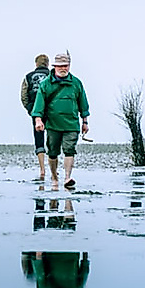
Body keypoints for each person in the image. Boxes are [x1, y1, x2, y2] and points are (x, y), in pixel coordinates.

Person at [31, 52, 90, 189]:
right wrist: (38, 120)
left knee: (69, 149)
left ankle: (67, 177)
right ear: (54, 67)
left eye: (65, 66)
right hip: (53, 124)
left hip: (71, 123)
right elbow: (39, 104)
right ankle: (54, 177)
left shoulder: (76, 83)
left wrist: (85, 121)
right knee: (52, 152)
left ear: (69, 66)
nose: (63, 69)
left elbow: (83, 103)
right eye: (60, 66)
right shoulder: (46, 84)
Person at [21, 54, 51, 180]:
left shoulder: (28, 77)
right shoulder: (53, 76)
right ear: (48, 64)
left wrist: (30, 109)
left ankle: (42, 169)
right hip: (51, 110)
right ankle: (53, 168)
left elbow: (23, 95)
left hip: (35, 111)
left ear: (36, 64)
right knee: (52, 138)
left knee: (39, 139)